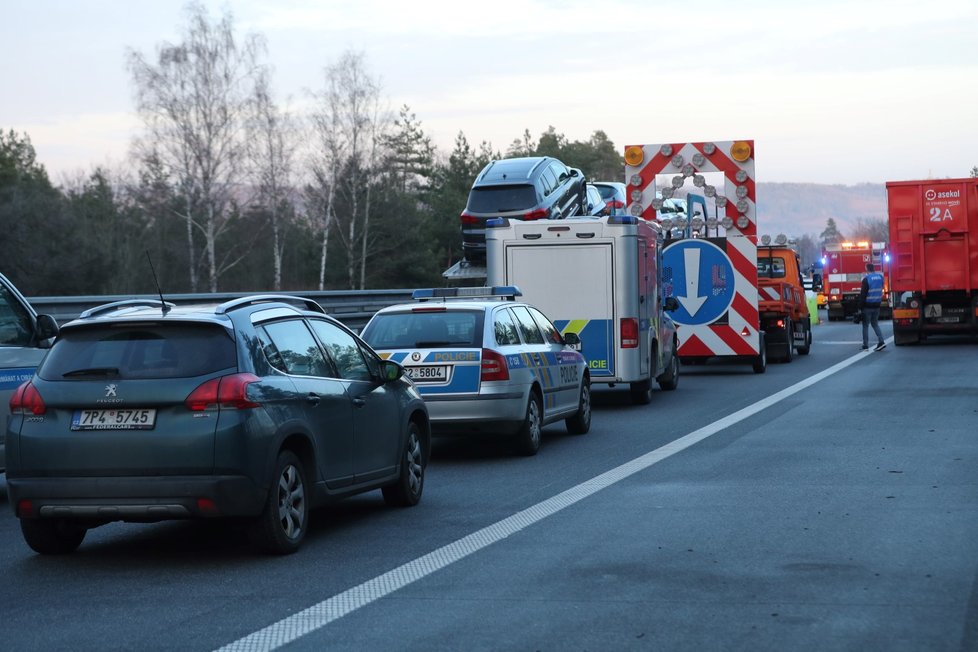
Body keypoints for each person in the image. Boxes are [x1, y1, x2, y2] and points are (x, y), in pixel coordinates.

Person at [859, 262, 886, 351]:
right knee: (875, 324)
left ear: (867, 269)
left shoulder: (866, 279)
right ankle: (881, 341)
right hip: (877, 305)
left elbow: (863, 294)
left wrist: (860, 307)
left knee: (865, 325)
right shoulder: (880, 277)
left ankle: (865, 345)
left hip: (867, 306)